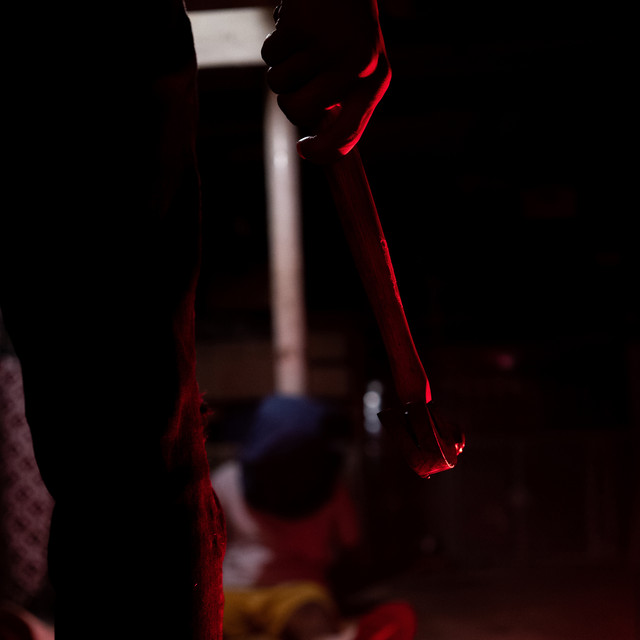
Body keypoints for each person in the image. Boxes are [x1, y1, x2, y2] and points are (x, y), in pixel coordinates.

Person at [0, 0, 391, 638]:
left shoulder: (313, 494)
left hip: (83, 41)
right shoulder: (244, 484)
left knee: (128, 457)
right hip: (86, 48)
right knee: (131, 457)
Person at [212, 395, 416, 640]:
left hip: (283, 591)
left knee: (304, 616)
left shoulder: (225, 479)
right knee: (310, 621)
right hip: (249, 590)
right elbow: (351, 545)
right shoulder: (332, 488)